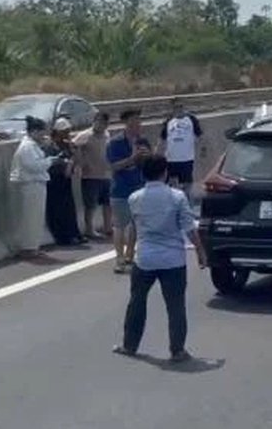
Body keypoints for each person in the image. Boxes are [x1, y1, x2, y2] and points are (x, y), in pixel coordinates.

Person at [112, 154, 207, 362]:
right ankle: (177, 350)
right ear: (165, 173)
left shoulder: (134, 198)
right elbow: (189, 229)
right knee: (175, 305)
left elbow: (134, 228)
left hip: (145, 258)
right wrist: (200, 252)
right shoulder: (177, 197)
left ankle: (129, 345)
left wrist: (129, 253)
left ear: (143, 174)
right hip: (173, 259)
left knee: (137, 301)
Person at [107, 109, 152, 274]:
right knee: (119, 225)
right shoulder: (115, 142)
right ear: (126, 123)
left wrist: (148, 156)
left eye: (139, 120)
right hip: (121, 189)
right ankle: (119, 259)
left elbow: (151, 164)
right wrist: (132, 158)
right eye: (134, 121)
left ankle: (130, 255)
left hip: (139, 187)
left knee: (136, 224)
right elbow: (114, 166)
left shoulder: (143, 141)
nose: (137, 124)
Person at [8, 117, 57, 259]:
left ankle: (33, 246)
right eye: (42, 132)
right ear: (34, 131)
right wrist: (50, 161)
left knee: (36, 217)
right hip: (31, 184)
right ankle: (27, 247)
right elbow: (33, 166)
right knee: (30, 217)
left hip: (37, 184)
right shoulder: (27, 147)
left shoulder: (33, 146)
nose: (43, 136)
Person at [44, 118, 85, 245]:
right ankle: (62, 237)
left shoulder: (68, 145)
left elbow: (77, 159)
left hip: (65, 179)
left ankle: (74, 233)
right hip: (53, 179)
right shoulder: (50, 145)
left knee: (69, 207)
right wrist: (63, 162)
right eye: (64, 131)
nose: (67, 134)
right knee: (57, 209)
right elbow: (49, 162)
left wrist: (74, 154)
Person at [73, 111, 113, 239]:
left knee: (108, 202)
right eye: (98, 121)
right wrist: (80, 163)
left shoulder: (107, 135)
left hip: (106, 174)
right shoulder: (85, 135)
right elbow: (73, 146)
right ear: (94, 121)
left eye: (104, 123)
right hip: (90, 175)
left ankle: (108, 227)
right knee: (91, 204)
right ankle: (89, 229)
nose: (101, 125)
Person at [160, 98, 203, 202]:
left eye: (181, 106)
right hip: (171, 159)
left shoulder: (191, 119)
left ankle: (187, 204)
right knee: (171, 186)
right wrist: (157, 154)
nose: (179, 109)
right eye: (176, 107)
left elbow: (200, 136)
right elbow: (162, 139)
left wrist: (203, 149)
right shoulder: (168, 121)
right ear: (172, 108)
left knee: (186, 186)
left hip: (186, 159)